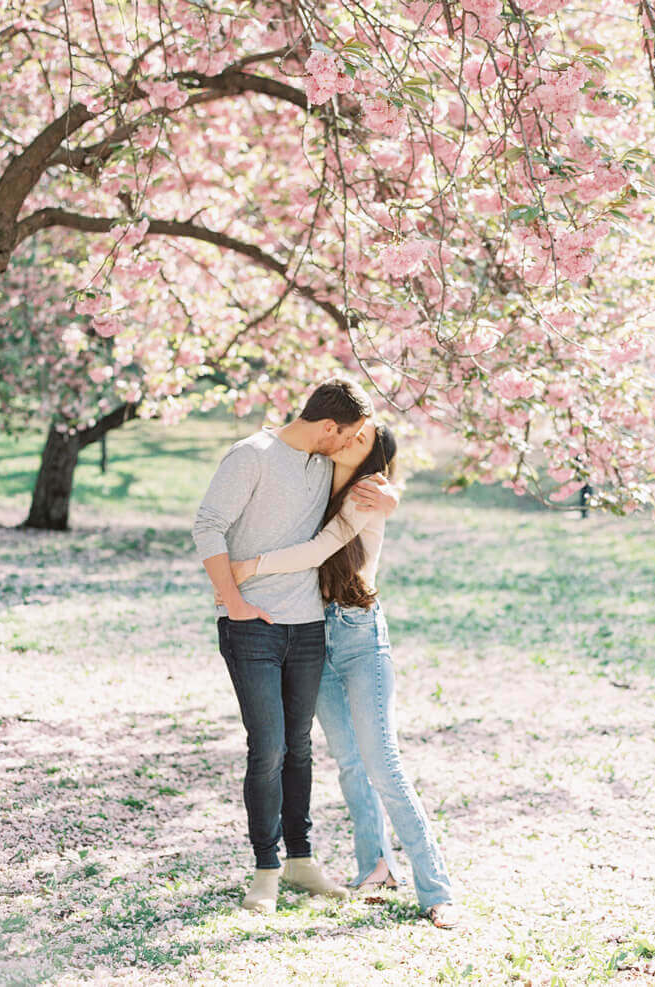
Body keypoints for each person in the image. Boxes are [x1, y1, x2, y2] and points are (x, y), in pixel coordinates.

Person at [231, 420, 462, 929]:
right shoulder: (314, 484)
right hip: (312, 636)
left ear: (371, 457)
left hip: (359, 636)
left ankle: (436, 889)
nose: (345, 441)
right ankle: (375, 867)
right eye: (345, 433)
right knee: (350, 763)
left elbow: (316, 552)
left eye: (359, 439)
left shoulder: (368, 493)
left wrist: (247, 568)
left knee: (383, 764)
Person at [191, 378, 396, 914]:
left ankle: (302, 861)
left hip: (307, 627)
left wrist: (392, 495)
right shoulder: (250, 456)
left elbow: (361, 500)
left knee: (299, 748)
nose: (350, 445)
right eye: (348, 435)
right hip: (251, 624)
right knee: (269, 748)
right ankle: (266, 868)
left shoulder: (325, 465)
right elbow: (208, 526)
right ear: (329, 427)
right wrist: (233, 601)